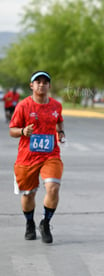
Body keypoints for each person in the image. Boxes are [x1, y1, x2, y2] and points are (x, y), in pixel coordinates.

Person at [9, 71, 65, 244]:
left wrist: (60, 132)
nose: (42, 84)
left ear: (49, 86)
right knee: (28, 195)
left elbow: (59, 120)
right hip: (27, 157)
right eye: (38, 81)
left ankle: (46, 223)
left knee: (53, 187)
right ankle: (29, 223)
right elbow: (12, 130)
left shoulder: (56, 105)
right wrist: (23, 131)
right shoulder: (23, 106)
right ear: (31, 86)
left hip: (51, 154)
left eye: (45, 82)